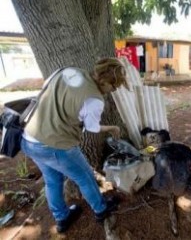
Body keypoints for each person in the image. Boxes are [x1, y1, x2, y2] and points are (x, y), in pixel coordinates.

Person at [21, 58, 128, 233]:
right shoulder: (94, 99)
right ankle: (101, 210)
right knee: (85, 176)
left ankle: (62, 217)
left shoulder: (68, 70)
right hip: (56, 145)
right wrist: (112, 128)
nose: (112, 91)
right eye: (113, 87)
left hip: (30, 138)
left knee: (52, 180)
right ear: (104, 81)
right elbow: (92, 127)